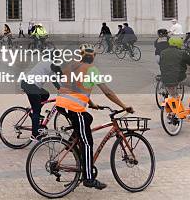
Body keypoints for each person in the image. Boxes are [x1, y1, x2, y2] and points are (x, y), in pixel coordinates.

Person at [56, 44, 133, 191]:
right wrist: (124, 106)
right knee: (87, 143)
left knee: (88, 119)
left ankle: (72, 141)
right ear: (93, 57)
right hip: (73, 108)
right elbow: (107, 92)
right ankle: (89, 178)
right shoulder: (92, 70)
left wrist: (90, 103)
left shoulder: (72, 65)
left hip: (61, 104)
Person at [21, 50, 62, 140]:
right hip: (30, 85)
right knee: (36, 111)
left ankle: (34, 112)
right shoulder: (52, 64)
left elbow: (54, 79)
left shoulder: (46, 62)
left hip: (28, 83)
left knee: (45, 94)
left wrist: (59, 88)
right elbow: (60, 75)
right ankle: (35, 134)